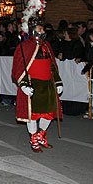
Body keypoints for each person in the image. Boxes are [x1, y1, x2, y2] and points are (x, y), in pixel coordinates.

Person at [12, 17, 63, 152]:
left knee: (48, 113)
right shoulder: (24, 46)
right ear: (33, 30)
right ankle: (33, 138)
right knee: (32, 114)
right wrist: (23, 85)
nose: (42, 31)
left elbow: (53, 65)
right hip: (33, 85)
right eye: (40, 29)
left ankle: (41, 135)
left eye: (43, 29)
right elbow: (18, 68)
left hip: (47, 85)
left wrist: (58, 82)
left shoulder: (47, 45)